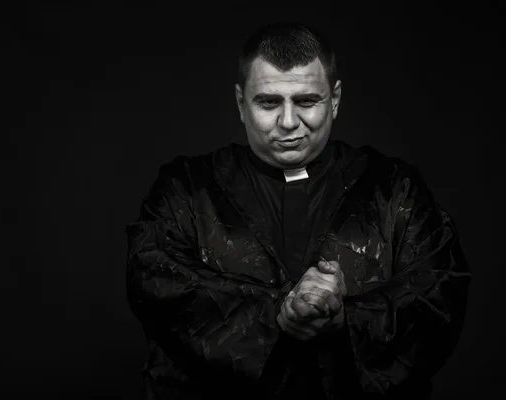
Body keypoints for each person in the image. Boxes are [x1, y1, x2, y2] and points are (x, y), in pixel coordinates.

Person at [125, 21, 471, 400]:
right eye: (268, 102)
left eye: (307, 101)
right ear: (241, 103)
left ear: (335, 99)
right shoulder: (186, 189)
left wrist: (346, 318)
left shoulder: (393, 189)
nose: (289, 123)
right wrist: (280, 310)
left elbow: (439, 293)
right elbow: (155, 283)